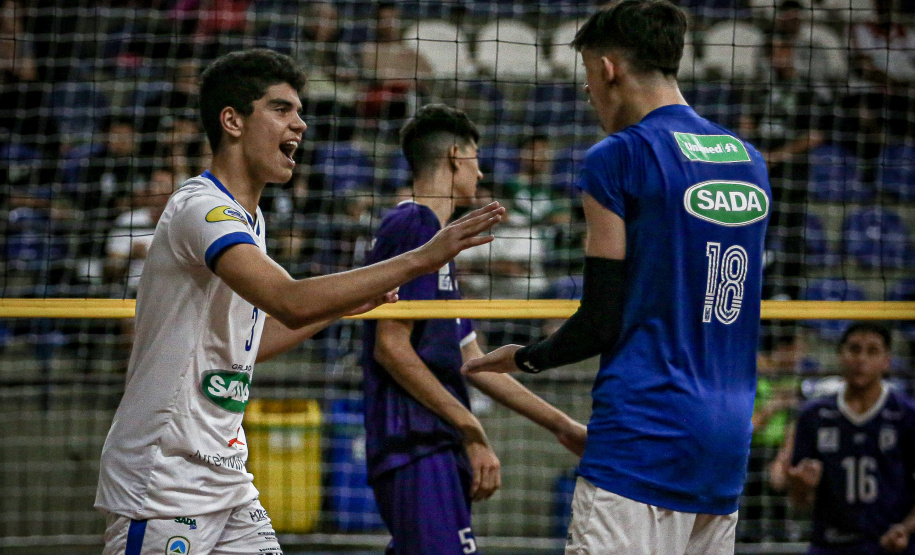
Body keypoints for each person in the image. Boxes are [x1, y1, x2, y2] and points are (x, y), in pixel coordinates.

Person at [94, 48, 505, 555]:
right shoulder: (201, 208)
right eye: (281, 109)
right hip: (164, 478)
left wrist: (342, 306)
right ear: (232, 121)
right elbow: (288, 299)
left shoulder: (251, 221)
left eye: (299, 111)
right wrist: (421, 258)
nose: (300, 124)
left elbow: (250, 344)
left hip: (224, 475)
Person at [463, 2, 772, 553]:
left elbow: (601, 320)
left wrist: (526, 357)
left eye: (587, 77)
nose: (588, 94)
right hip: (725, 439)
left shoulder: (619, 156)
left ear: (608, 69)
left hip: (643, 431)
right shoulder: (748, 160)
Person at [363, 104, 587, 555]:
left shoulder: (439, 246)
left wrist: (562, 425)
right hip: (416, 442)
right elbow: (391, 347)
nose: (481, 173)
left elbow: (475, 363)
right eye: (477, 158)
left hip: (435, 441)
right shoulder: (413, 224)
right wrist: (470, 426)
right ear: (455, 156)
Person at [786, 322, 915, 555]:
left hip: (889, 545)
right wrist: (800, 485)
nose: (861, 359)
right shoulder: (814, 415)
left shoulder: (906, 415)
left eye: (872, 351)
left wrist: (905, 529)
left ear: (887, 361)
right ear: (840, 355)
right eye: (854, 349)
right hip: (829, 545)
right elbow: (799, 501)